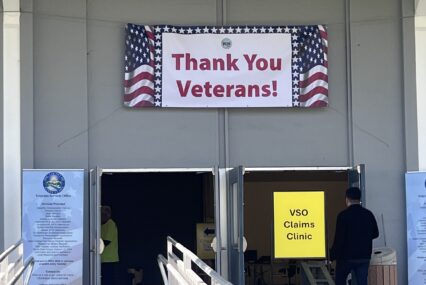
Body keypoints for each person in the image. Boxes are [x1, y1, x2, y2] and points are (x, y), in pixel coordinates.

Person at [330, 187, 379, 285]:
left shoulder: (343, 215)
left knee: (340, 280)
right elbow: (375, 233)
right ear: (359, 199)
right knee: (362, 282)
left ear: (347, 199)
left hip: (346, 257)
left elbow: (339, 239)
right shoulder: (368, 214)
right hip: (363, 256)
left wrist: (332, 255)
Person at [101, 206, 119, 285]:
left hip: (109, 259)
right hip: (102, 259)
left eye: (104, 214)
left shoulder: (111, 224)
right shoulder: (100, 225)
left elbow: (106, 241)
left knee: (108, 281)